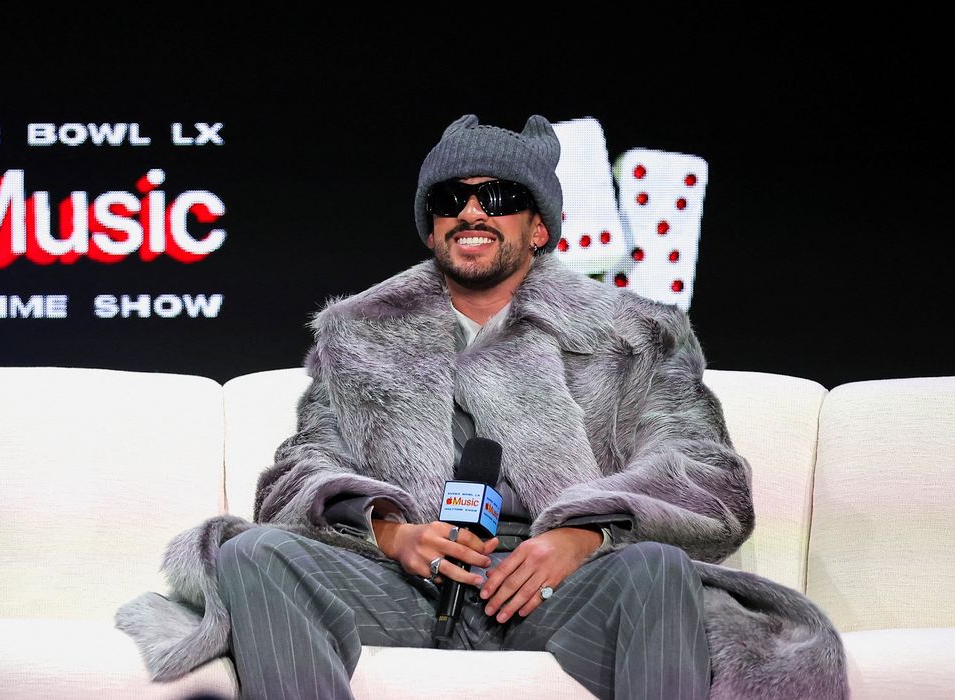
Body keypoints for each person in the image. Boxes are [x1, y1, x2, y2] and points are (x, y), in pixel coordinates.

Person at [117, 114, 848, 699]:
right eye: (450, 199)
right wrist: (391, 531)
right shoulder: (360, 337)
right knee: (253, 552)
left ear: (539, 227)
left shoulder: (634, 335)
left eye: (499, 198)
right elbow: (299, 473)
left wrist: (583, 536)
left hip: (562, 585)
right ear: (431, 226)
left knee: (655, 568)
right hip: (404, 583)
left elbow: (708, 478)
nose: (472, 210)